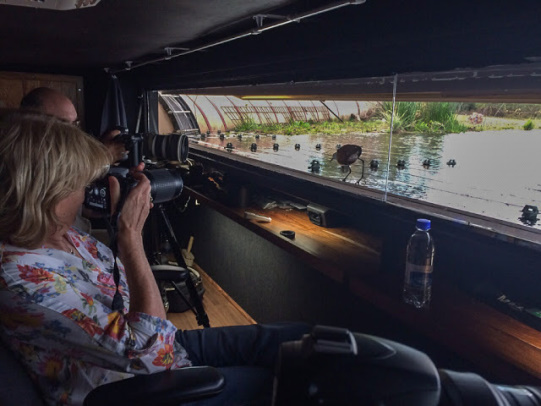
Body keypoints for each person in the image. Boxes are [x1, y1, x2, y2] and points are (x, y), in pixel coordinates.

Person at [0, 111, 310, 406]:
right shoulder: (19, 279)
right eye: (79, 184)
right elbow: (149, 352)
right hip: (134, 386)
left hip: (161, 345)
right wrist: (130, 236)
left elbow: (132, 307)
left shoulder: (60, 232)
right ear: (47, 193)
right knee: (274, 384)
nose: (85, 192)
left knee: (299, 341)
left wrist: (117, 215)